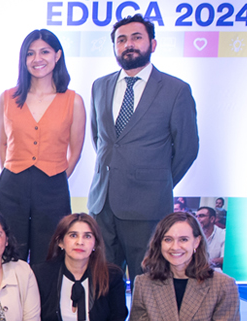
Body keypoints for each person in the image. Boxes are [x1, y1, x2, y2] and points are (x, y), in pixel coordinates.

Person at [89, 13, 199, 281]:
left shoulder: (176, 89)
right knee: (103, 283)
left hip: (147, 208)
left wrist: (157, 181)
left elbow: (187, 149)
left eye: (136, 37)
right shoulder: (100, 86)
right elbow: (100, 139)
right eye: (121, 40)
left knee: (148, 282)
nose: (128, 44)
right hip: (102, 206)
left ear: (153, 44)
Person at [0, 30, 86, 262]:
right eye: (30, 53)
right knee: (8, 254)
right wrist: (15, 171)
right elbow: (2, 144)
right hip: (12, 186)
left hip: (53, 188)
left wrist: (55, 177)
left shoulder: (73, 100)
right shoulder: (7, 98)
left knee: (49, 256)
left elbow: (75, 151)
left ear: (57, 55)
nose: (37, 59)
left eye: (44, 52)